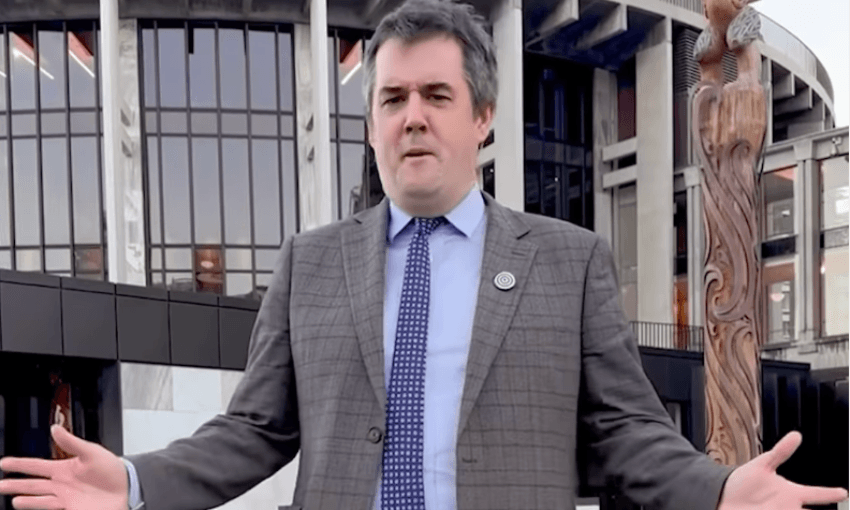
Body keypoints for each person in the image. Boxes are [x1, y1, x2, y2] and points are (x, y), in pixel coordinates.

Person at [0, 1, 847, 509]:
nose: (413, 116)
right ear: (370, 123)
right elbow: (254, 429)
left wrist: (720, 488)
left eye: (437, 96)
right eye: (393, 98)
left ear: (481, 117)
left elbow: (626, 431)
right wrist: (138, 485)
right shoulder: (310, 264)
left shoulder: (568, 261)